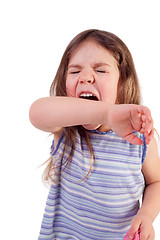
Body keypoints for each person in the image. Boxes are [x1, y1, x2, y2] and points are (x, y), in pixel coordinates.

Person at [29, 29, 160, 240]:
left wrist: (146, 215)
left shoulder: (141, 140)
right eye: (74, 72)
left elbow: (156, 182)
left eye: (100, 71)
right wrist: (107, 113)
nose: (86, 77)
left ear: (123, 81)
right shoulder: (66, 131)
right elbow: (36, 113)